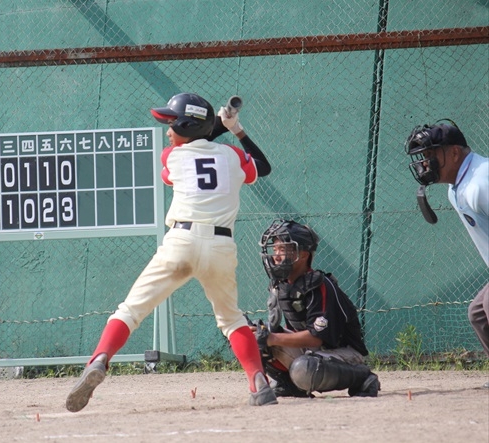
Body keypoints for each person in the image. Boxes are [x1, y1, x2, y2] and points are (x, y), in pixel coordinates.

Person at [65, 92, 276, 412]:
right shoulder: (233, 156)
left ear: (187, 127)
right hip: (220, 247)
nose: (168, 131)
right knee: (232, 319)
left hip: (181, 242)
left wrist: (217, 126)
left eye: (172, 124)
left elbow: (196, 147)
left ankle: (99, 360)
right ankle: (258, 380)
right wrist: (235, 129)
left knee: (130, 310)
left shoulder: (172, 158)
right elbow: (262, 166)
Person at [251, 219, 380, 398]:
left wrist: (272, 338)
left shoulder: (319, 285)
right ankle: (288, 384)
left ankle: (363, 378)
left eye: (283, 250)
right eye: (275, 249)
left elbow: (316, 338)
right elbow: (286, 332)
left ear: (303, 255)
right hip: (310, 351)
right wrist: (259, 334)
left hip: (343, 352)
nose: (276, 256)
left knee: (304, 369)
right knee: (251, 336)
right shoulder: (281, 285)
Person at [405, 121, 489, 387]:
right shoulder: (458, 187)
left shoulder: (481, 182)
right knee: (478, 313)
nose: (425, 163)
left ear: (454, 153)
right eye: (424, 156)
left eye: (431, 154)